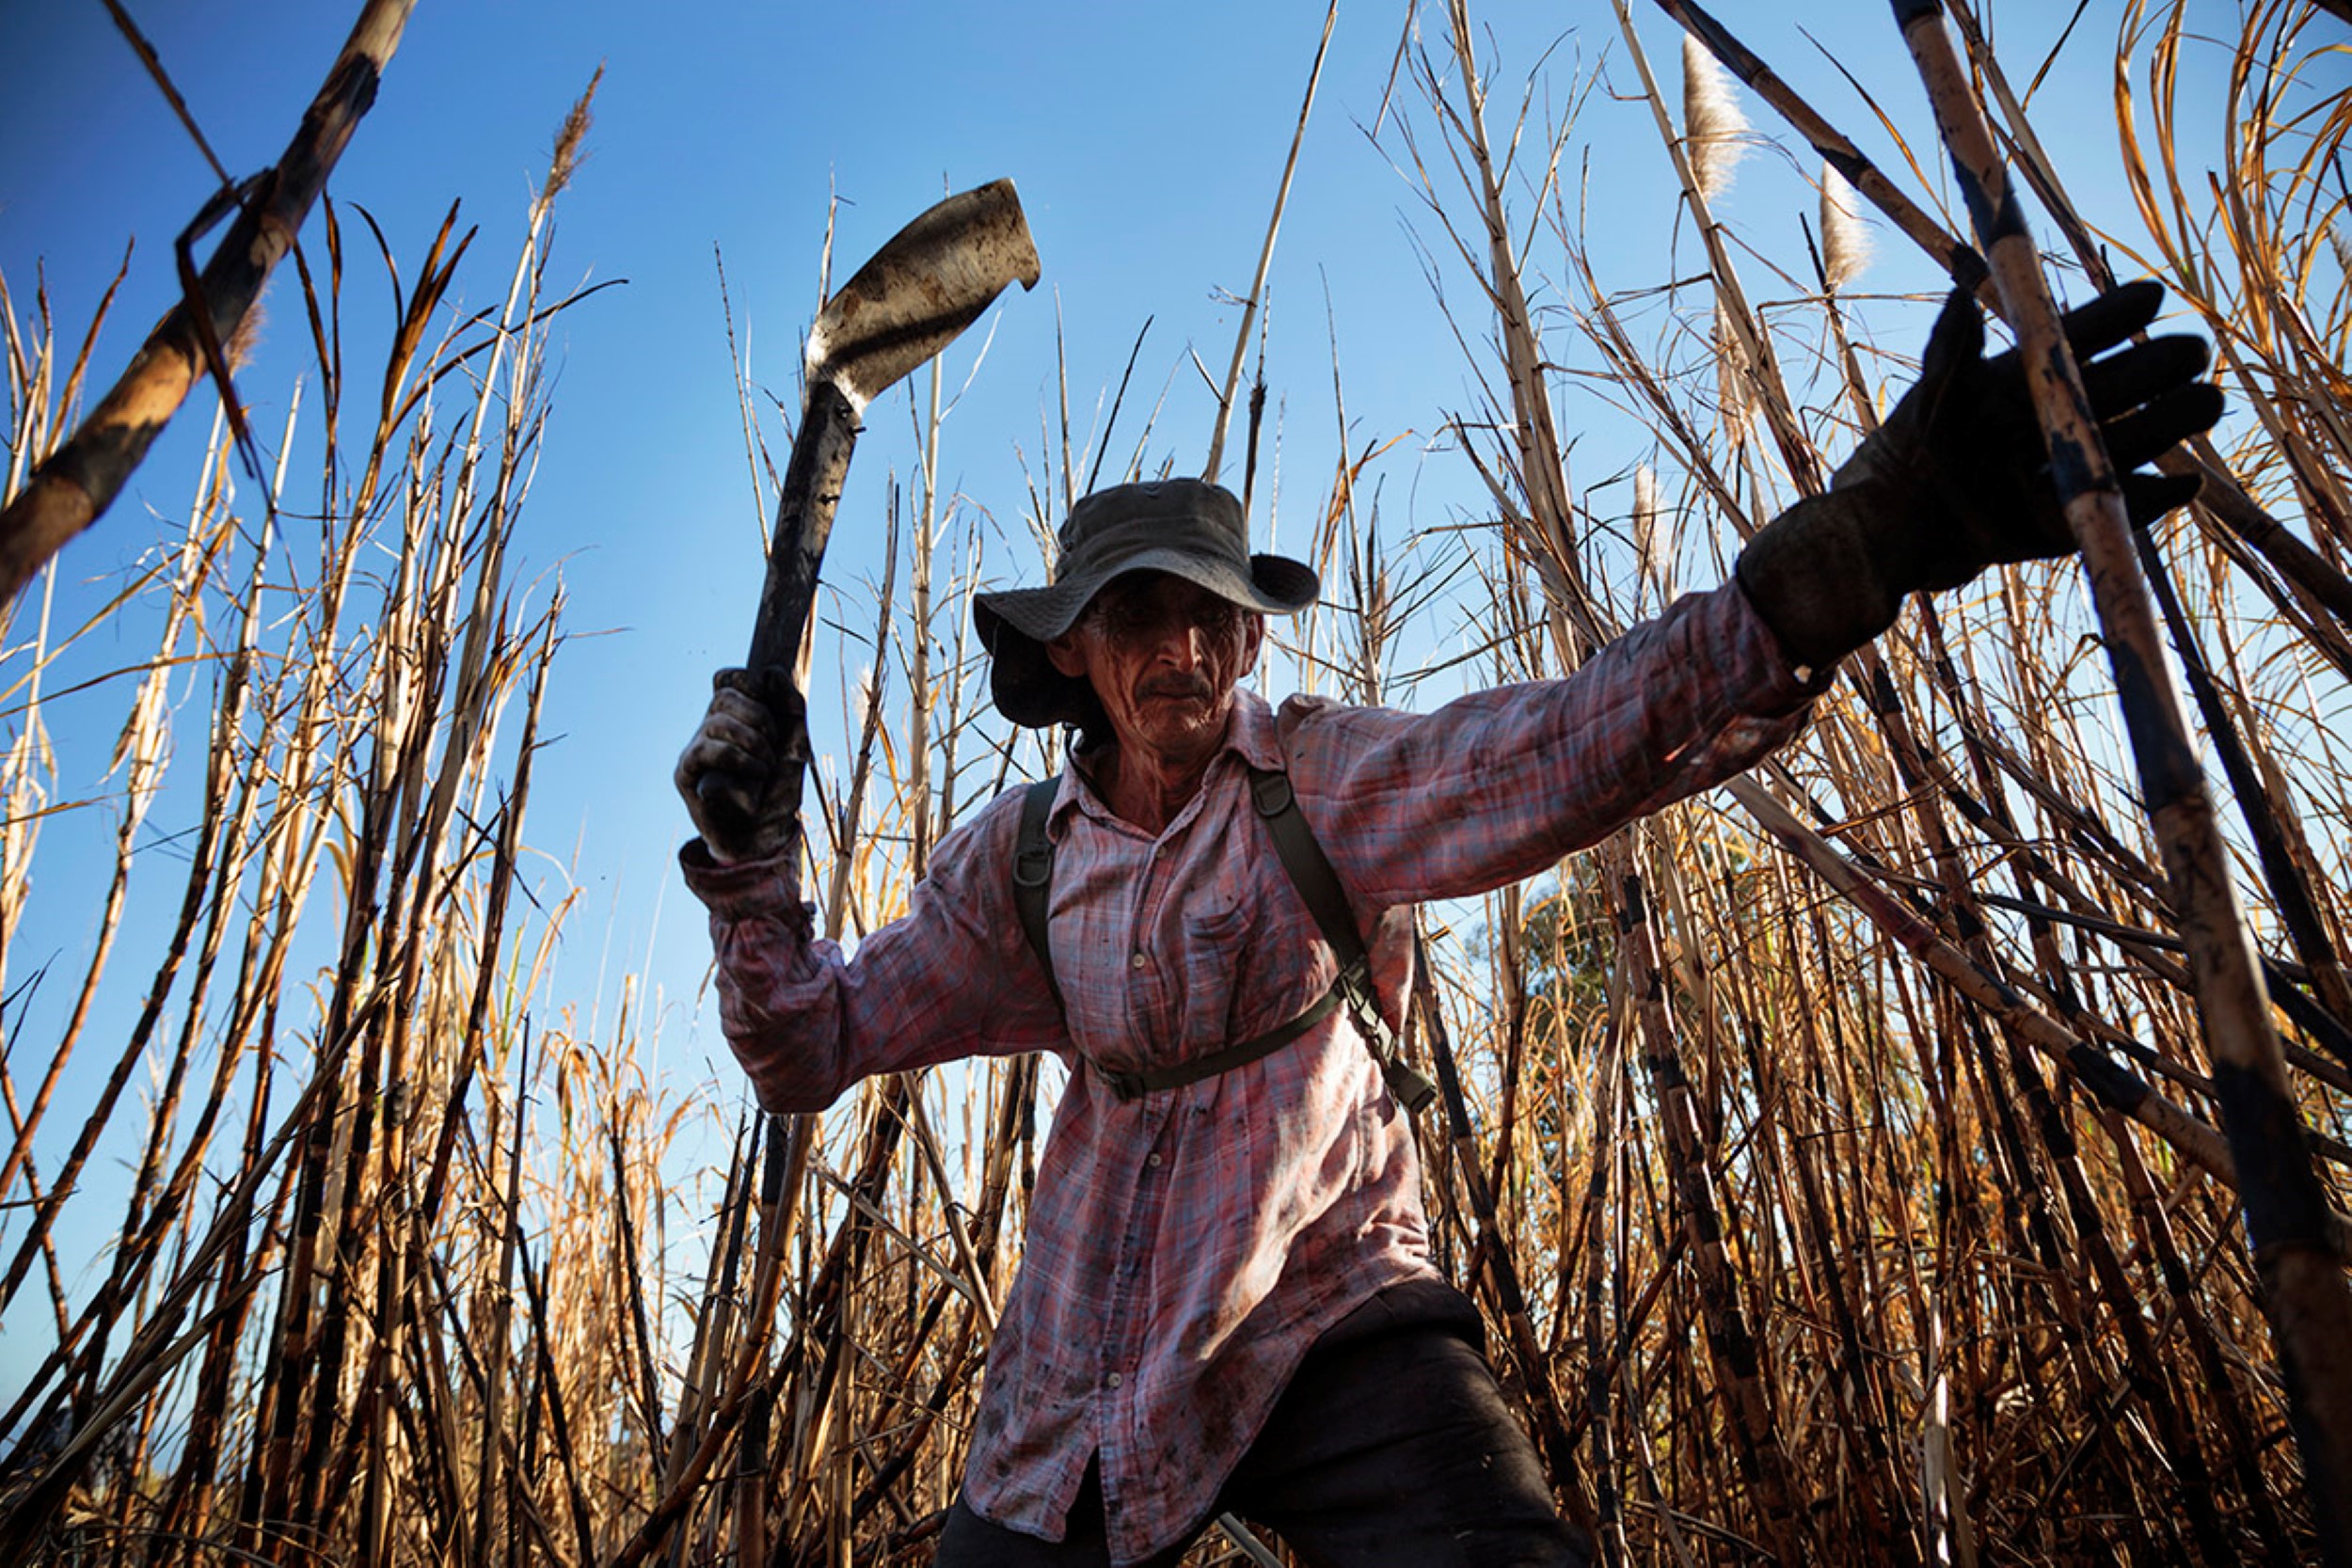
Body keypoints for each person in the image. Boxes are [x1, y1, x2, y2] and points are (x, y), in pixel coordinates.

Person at [674, 282, 2219, 1567]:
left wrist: (1864, 549)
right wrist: (752, 865)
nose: (1186, 648)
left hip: (1331, 1313)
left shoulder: (1318, 784)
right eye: (1143, 616)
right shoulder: (1012, 867)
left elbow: (1564, 744)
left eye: (1215, 611)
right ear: (1074, 650)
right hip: (1072, 1385)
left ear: (1253, 629)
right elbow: (806, 1044)